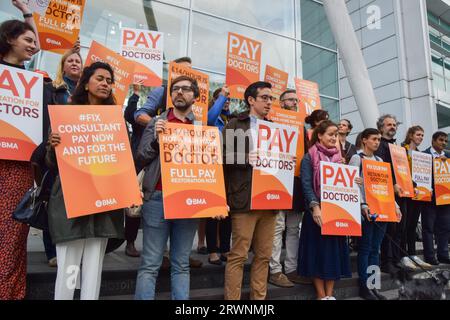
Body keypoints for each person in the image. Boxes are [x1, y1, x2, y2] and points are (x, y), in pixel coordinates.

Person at [134, 75, 223, 300]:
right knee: (150, 264)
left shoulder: (202, 128)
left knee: (181, 264)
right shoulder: (157, 122)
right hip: (157, 198)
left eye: (185, 89)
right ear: (170, 95)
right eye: (175, 89)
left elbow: (211, 168)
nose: (179, 93)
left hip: (188, 202)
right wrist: (156, 139)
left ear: (195, 96)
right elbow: (141, 157)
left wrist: (217, 202)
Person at [46, 62, 125, 300]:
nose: (105, 84)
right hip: (71, 203)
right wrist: (52, 146)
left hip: (102, 207)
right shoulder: (66, 115)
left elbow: (122, 162)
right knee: (69, 269)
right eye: (100, 78)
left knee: (93, 271)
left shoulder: (115, 120)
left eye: (109, 81)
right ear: (86, 82)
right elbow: (52, 164)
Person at [0, 1, 40, 299]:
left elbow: (36, 47)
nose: (33, 45)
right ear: (9, 39)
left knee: (13, 233)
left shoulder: (28, 77)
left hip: (18, 167)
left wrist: (27, 12)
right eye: (26, 39)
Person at [223, 81, 277, 300]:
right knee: (238, 255)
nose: (269, 102)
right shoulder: (235, 124)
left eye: (271, 98)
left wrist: (286, 160)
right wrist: (245, 158)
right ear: (251, 100)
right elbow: (222, 156)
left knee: (264, 256)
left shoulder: (275, 128)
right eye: (265, 97)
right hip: (244, 199)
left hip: (270, 199)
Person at [297, 120, 352, 300]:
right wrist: (315, 207)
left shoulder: (339, 158)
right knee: (317, 254)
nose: (334, 137)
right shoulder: (309, 156)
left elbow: (344, 186)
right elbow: (306, 185)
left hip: (335, 212)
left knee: (332, 254)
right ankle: (321, 295)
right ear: (319, 135)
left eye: (336, 135)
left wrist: (354, 181)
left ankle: (330, 295)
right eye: (330, 134)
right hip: (317, 213)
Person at [349, 128, 402, 300]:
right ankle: (364, 287)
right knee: (365, 248)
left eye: (379, 139)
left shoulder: (379, 160)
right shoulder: (357, 158)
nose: (377, 142)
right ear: (364, 140)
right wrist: (362, 204)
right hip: (366, 210)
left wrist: (395, 206)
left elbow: (386, 187)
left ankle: (373, 286)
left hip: (382, 210)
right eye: (373, 139)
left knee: (376, 249)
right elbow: (351, 183)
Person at [268, 89, 306, 287]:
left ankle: (291, 268)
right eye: (290, 100)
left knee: (293, 228)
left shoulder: (301, 126)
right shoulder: (271, 120)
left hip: (298, 180)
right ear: (281, 103)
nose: (294, 102)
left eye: (296, 100)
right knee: (278, 226)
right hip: (278, 177)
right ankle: (274, 269)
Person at [374, 114, 410, 274]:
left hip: (402, 192)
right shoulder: (380, 145)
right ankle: (386, 261)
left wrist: (411, 185)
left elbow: (403, 170)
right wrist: (393, 183)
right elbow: (382, 169)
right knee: (390, 229)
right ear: (381, 127)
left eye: (394, 125)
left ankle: (396, 260)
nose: (392, 127)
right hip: (387, 192)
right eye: (389, 124)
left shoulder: (398, 147)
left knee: (399, 228)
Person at [205, 86, 232, 265]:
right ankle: (212, 250)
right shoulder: (213, 118)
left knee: (227, 211)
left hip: (229, 168)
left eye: (228, 99)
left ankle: (225, 249)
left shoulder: (230, 119)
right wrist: (221, 97)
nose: (227, 101)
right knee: (213, 211)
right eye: (223, 99)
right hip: (213, 167)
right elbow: (209, 119)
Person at [401, 126, 432, 269]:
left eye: (422, 135)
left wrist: (428, 188)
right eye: (418, 134)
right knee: (404, 225)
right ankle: (403, 255)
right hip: (406, 193)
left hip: (419, 194)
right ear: (411, 135)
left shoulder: (422, 155)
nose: (421, 137)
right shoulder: (402, 150)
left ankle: (412, 254)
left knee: (413, 225)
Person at [421, 132, 450, 265]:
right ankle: (429, 256)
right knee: (428, 228)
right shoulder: (423, 155)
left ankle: (443, 255)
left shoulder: (448, 156)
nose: (443, 143)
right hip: (430, 198)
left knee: (444, 227)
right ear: (433, 140)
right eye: (441, 140)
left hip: (445, 198)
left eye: (445, 141)